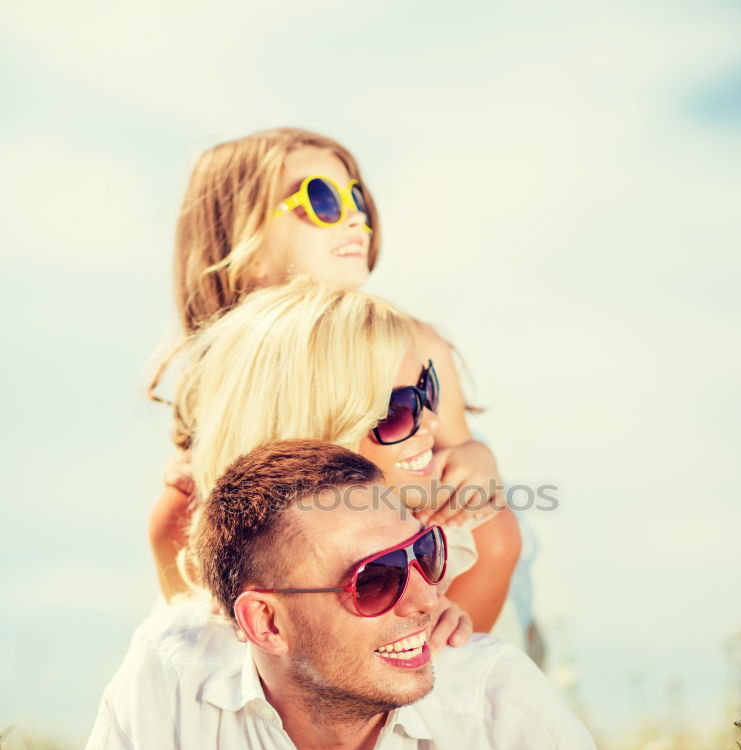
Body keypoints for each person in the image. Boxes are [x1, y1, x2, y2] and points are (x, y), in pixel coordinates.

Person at [58, 441, 669, 750]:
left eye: (423, 554)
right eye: (375, 580)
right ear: (267, 623)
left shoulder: (492, 689)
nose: (426, 600)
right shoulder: (172, 668)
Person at [147, 128, 523, 634]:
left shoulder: (410, 340)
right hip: (291, 534)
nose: (352, 216)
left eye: (356, 197)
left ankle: (446, 673)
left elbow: (455, 445)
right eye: (320, 198)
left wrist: (479, 459)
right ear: (245, 242)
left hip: (394, 510)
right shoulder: (229, 363)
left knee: (493, 527)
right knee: (176, 512)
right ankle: (215, 645)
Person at [173, 279, 500, 628]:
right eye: (397, 410)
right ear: (315, 431)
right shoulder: (193, 636)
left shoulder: (441, 533)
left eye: (428, 390)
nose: (433, 421)